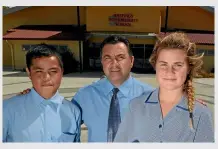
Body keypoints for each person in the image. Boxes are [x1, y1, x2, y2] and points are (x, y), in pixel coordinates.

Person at [114, 32, 214, 142]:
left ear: (188, 68)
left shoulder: (200, 114)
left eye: (178, 65)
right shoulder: (136, 106)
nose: (169, 72)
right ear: (155, 65)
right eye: (163, 64)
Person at [72, 36, 154, 142]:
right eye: (107, 58)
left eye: (120, 57)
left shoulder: (150, 97)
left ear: (131, 61)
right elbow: (65, 129)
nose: (114, 64)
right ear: (102, 61)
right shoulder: (84, 96)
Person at [3, 44, 81, 142]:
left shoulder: (73, 111)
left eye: (53, 71)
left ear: (62, 72)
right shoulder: (7, 110)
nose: (46, 77)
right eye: (39, 71)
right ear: (29, 73)